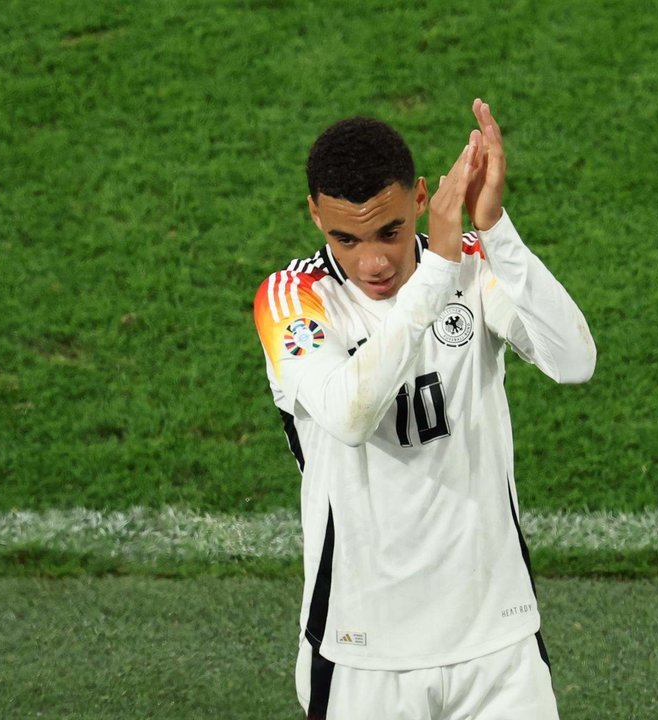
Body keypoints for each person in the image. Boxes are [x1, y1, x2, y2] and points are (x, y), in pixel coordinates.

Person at [252, 99, 596, 720]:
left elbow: (574, 362)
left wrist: (495, 231)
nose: (374, 261)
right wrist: (434, 272)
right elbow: (350, 415)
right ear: (314, 215)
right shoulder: (294, 298)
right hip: (364, 654)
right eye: (345, 239)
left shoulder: (472, 263)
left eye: (387, 231)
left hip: (498, 643)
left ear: (418, 196)